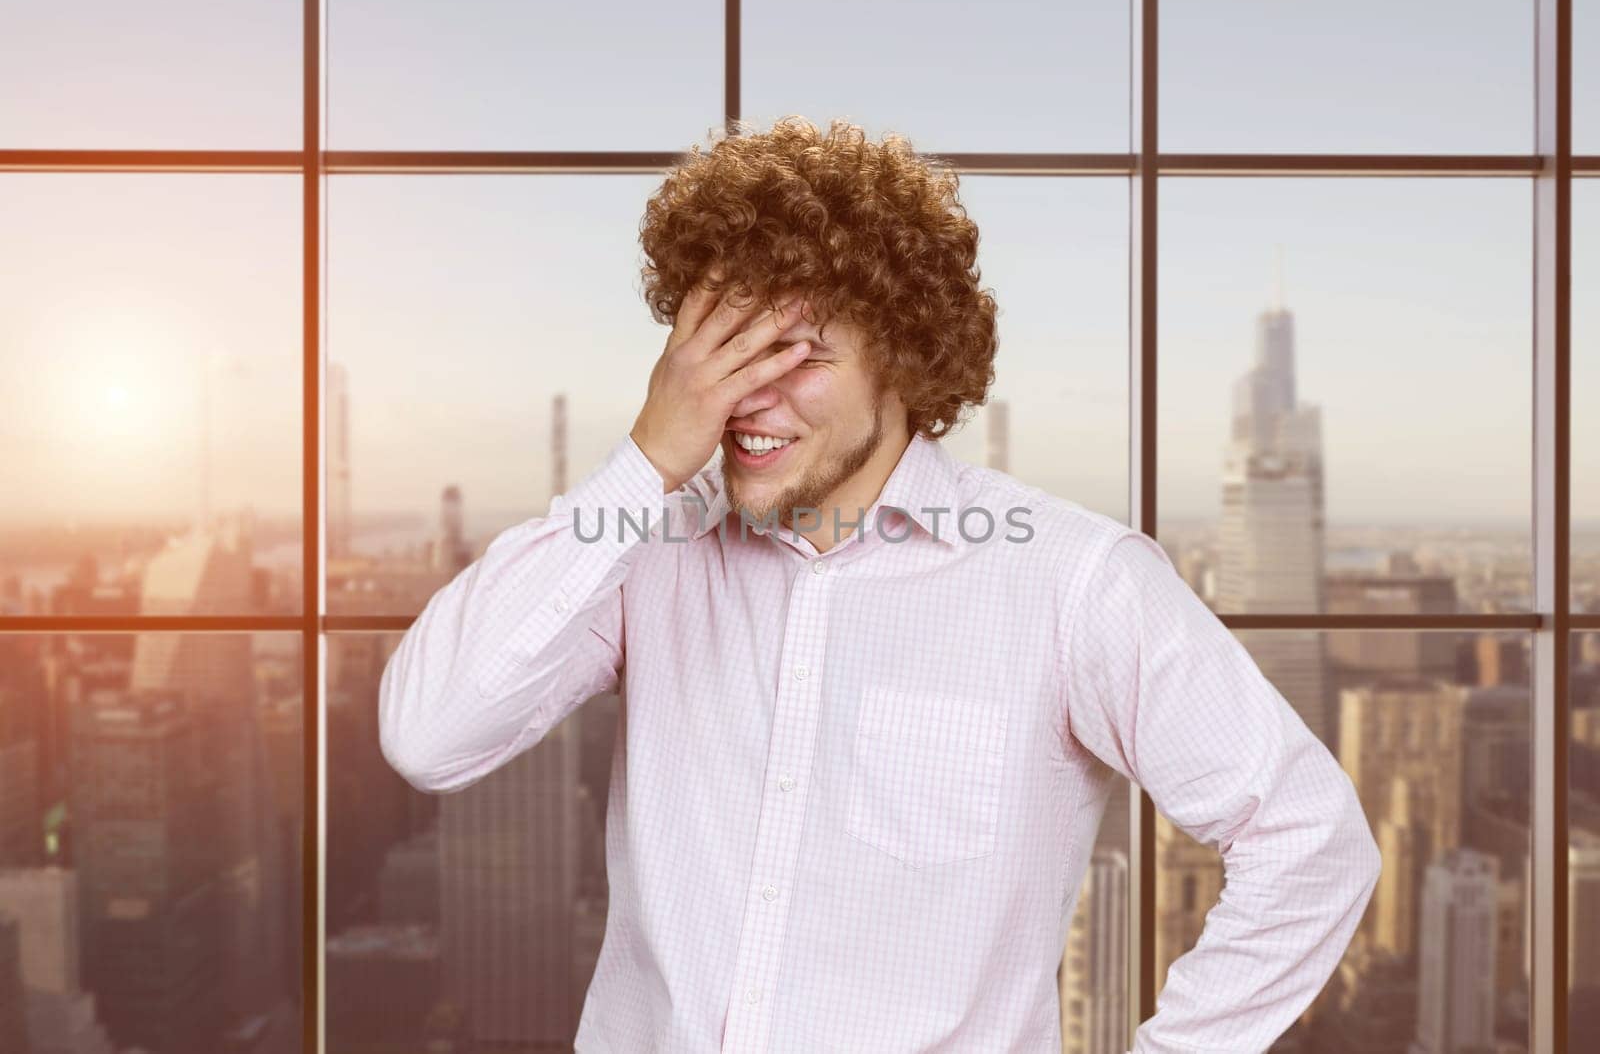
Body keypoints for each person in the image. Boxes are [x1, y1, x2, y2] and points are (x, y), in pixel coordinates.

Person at [377, 116, 1381, 1053]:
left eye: (794, 352)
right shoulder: (649, 546)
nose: (742, 396)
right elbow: (429, 733)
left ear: (901, 354)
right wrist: (644, 461)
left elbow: (1307, 837)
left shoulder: (1069, 580)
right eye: (716, 352)